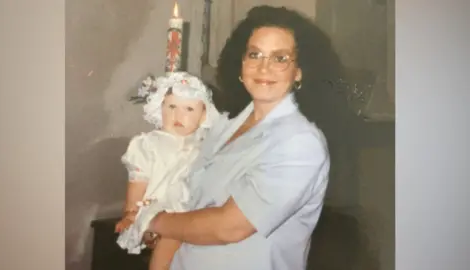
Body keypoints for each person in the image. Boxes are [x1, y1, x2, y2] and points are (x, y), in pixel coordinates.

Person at [145, 5, 342, 270]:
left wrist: (151, 219)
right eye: (254, 54)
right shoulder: (222, 123)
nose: (264, 67)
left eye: (280, 58)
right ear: (240, 62)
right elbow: (184, 210)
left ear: (299, 72)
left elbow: (229, 227)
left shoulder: (301, 143)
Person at [114, 71, 222, 255]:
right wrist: (130, 213)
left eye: (189, 109)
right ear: (159, 108)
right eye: (172, 107)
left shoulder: (205, 147)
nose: (178, 115)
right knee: (167, 242)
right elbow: (138, 182)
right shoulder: (148, 144)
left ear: (203, 115)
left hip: (193, 211)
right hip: (157, 209)